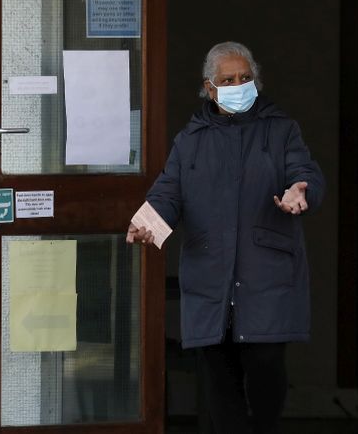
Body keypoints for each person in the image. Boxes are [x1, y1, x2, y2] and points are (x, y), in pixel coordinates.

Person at [126, 41, 324, 434]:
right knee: (218, 373)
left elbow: (304, 172)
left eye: (245, 78)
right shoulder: (190, 140)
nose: (239, 85)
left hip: (265, 272)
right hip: (210, 273)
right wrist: (147, 222)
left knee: (266, 364)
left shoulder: (281, 129)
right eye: (228, 79)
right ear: (210, 88)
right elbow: (168, 193)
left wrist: (300, 190)